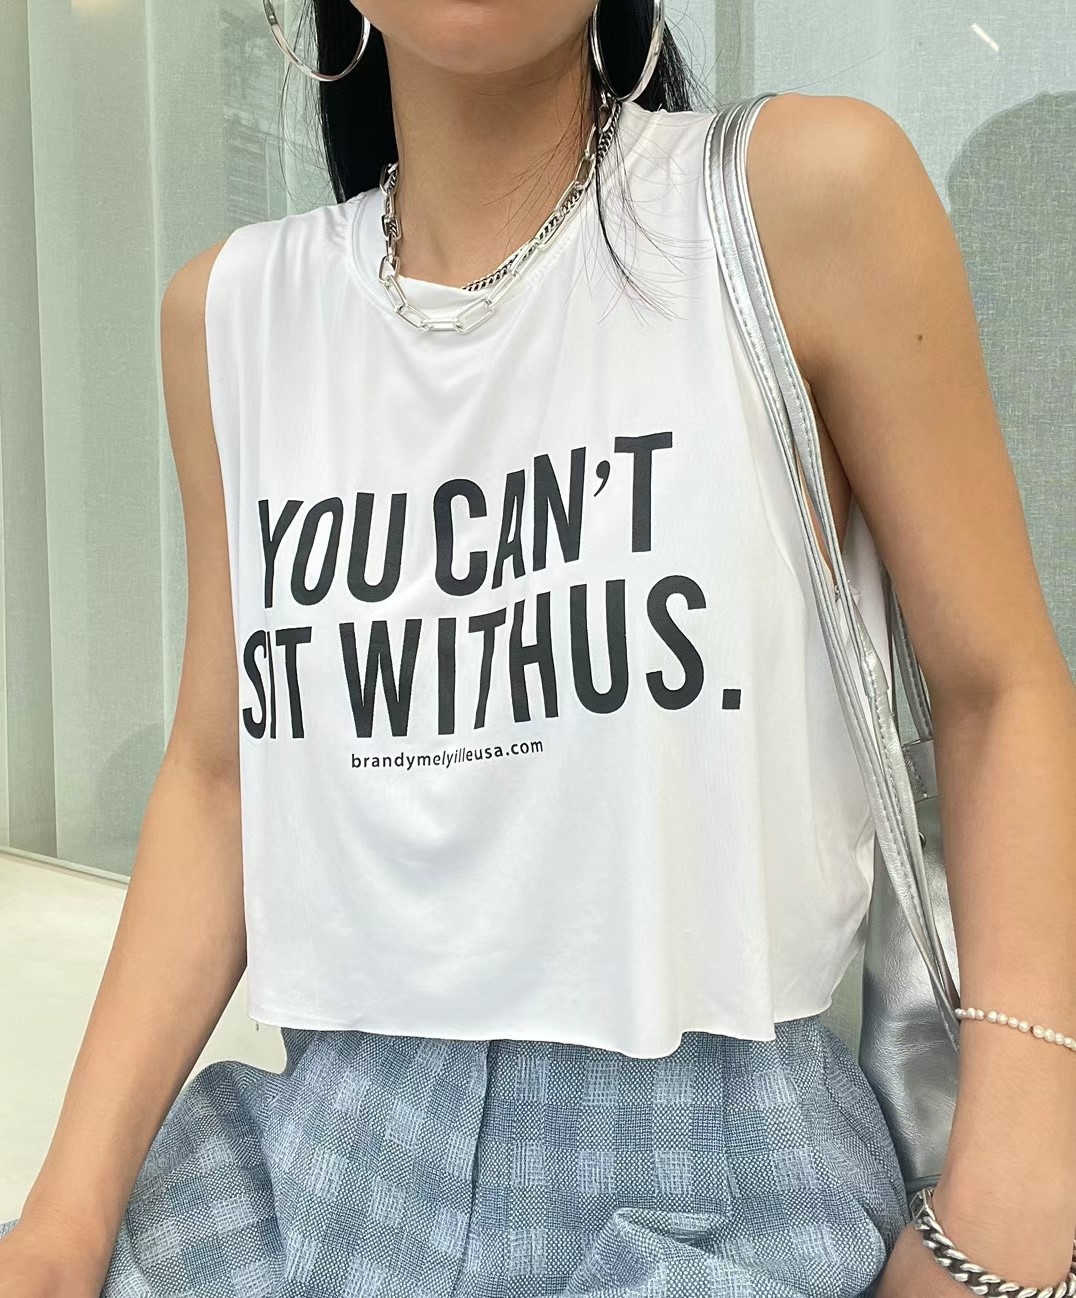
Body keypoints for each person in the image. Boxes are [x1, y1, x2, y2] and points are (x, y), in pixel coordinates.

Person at [2, 2, 1074, 1296]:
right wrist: (62, 1222)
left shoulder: (799, 202)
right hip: (307, 1175)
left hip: (714, 1196)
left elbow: (996, 687)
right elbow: (222, 775)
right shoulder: (231, 315)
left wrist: (1013, 1199)